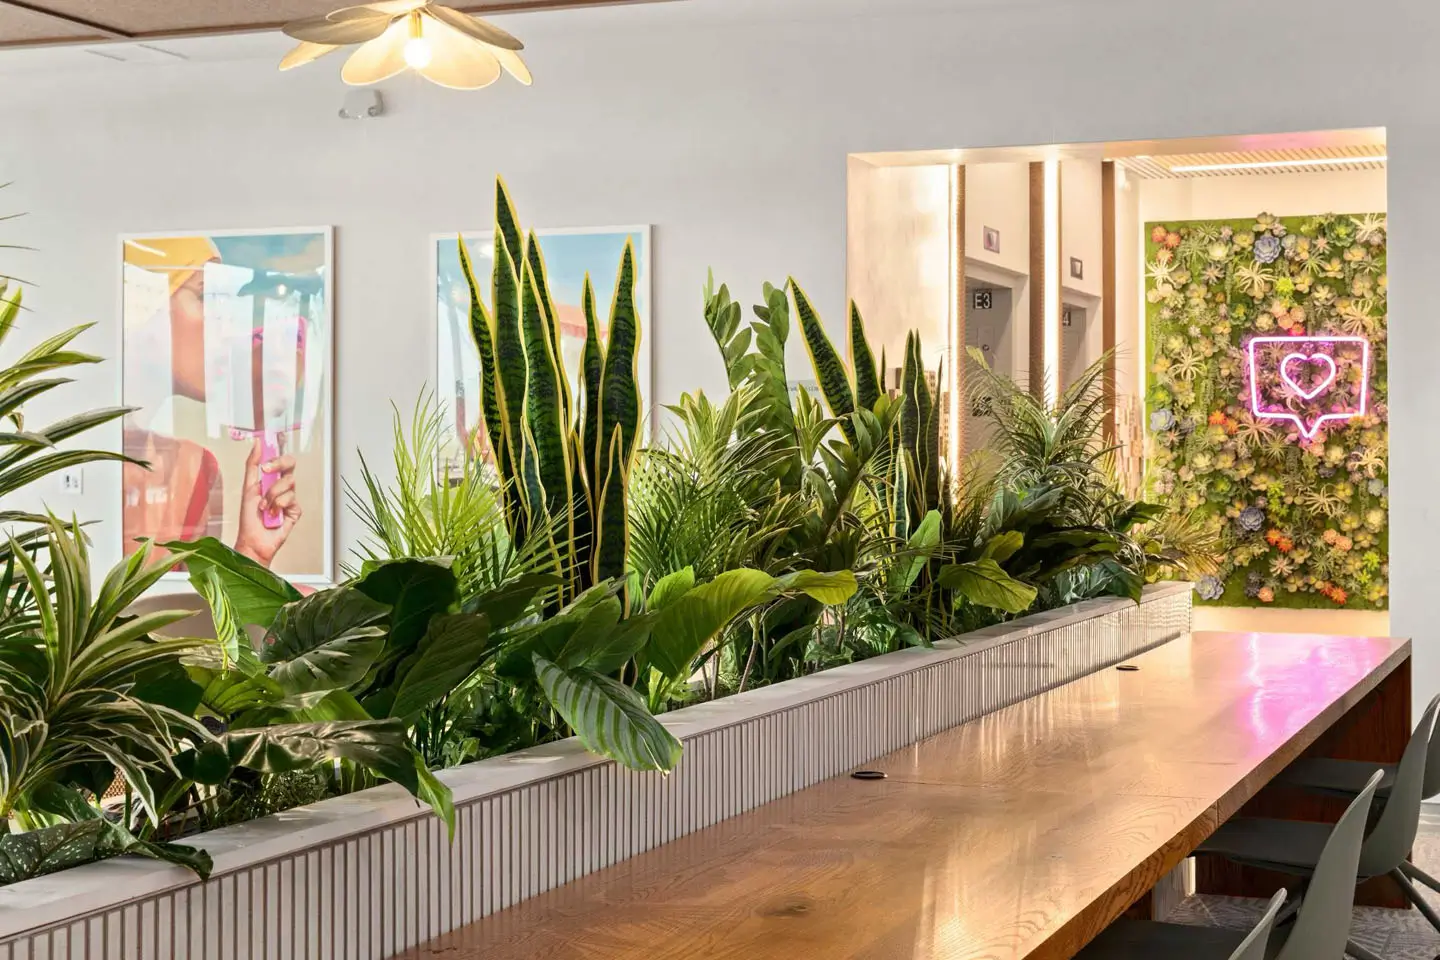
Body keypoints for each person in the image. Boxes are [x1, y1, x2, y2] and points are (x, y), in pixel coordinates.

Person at [121, 236, 302, 570]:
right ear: (138, 306)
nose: (227, 326)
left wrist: (252, 552)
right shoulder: (59, 460)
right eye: (204, 296)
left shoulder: (197, 471)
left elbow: (200, 605)